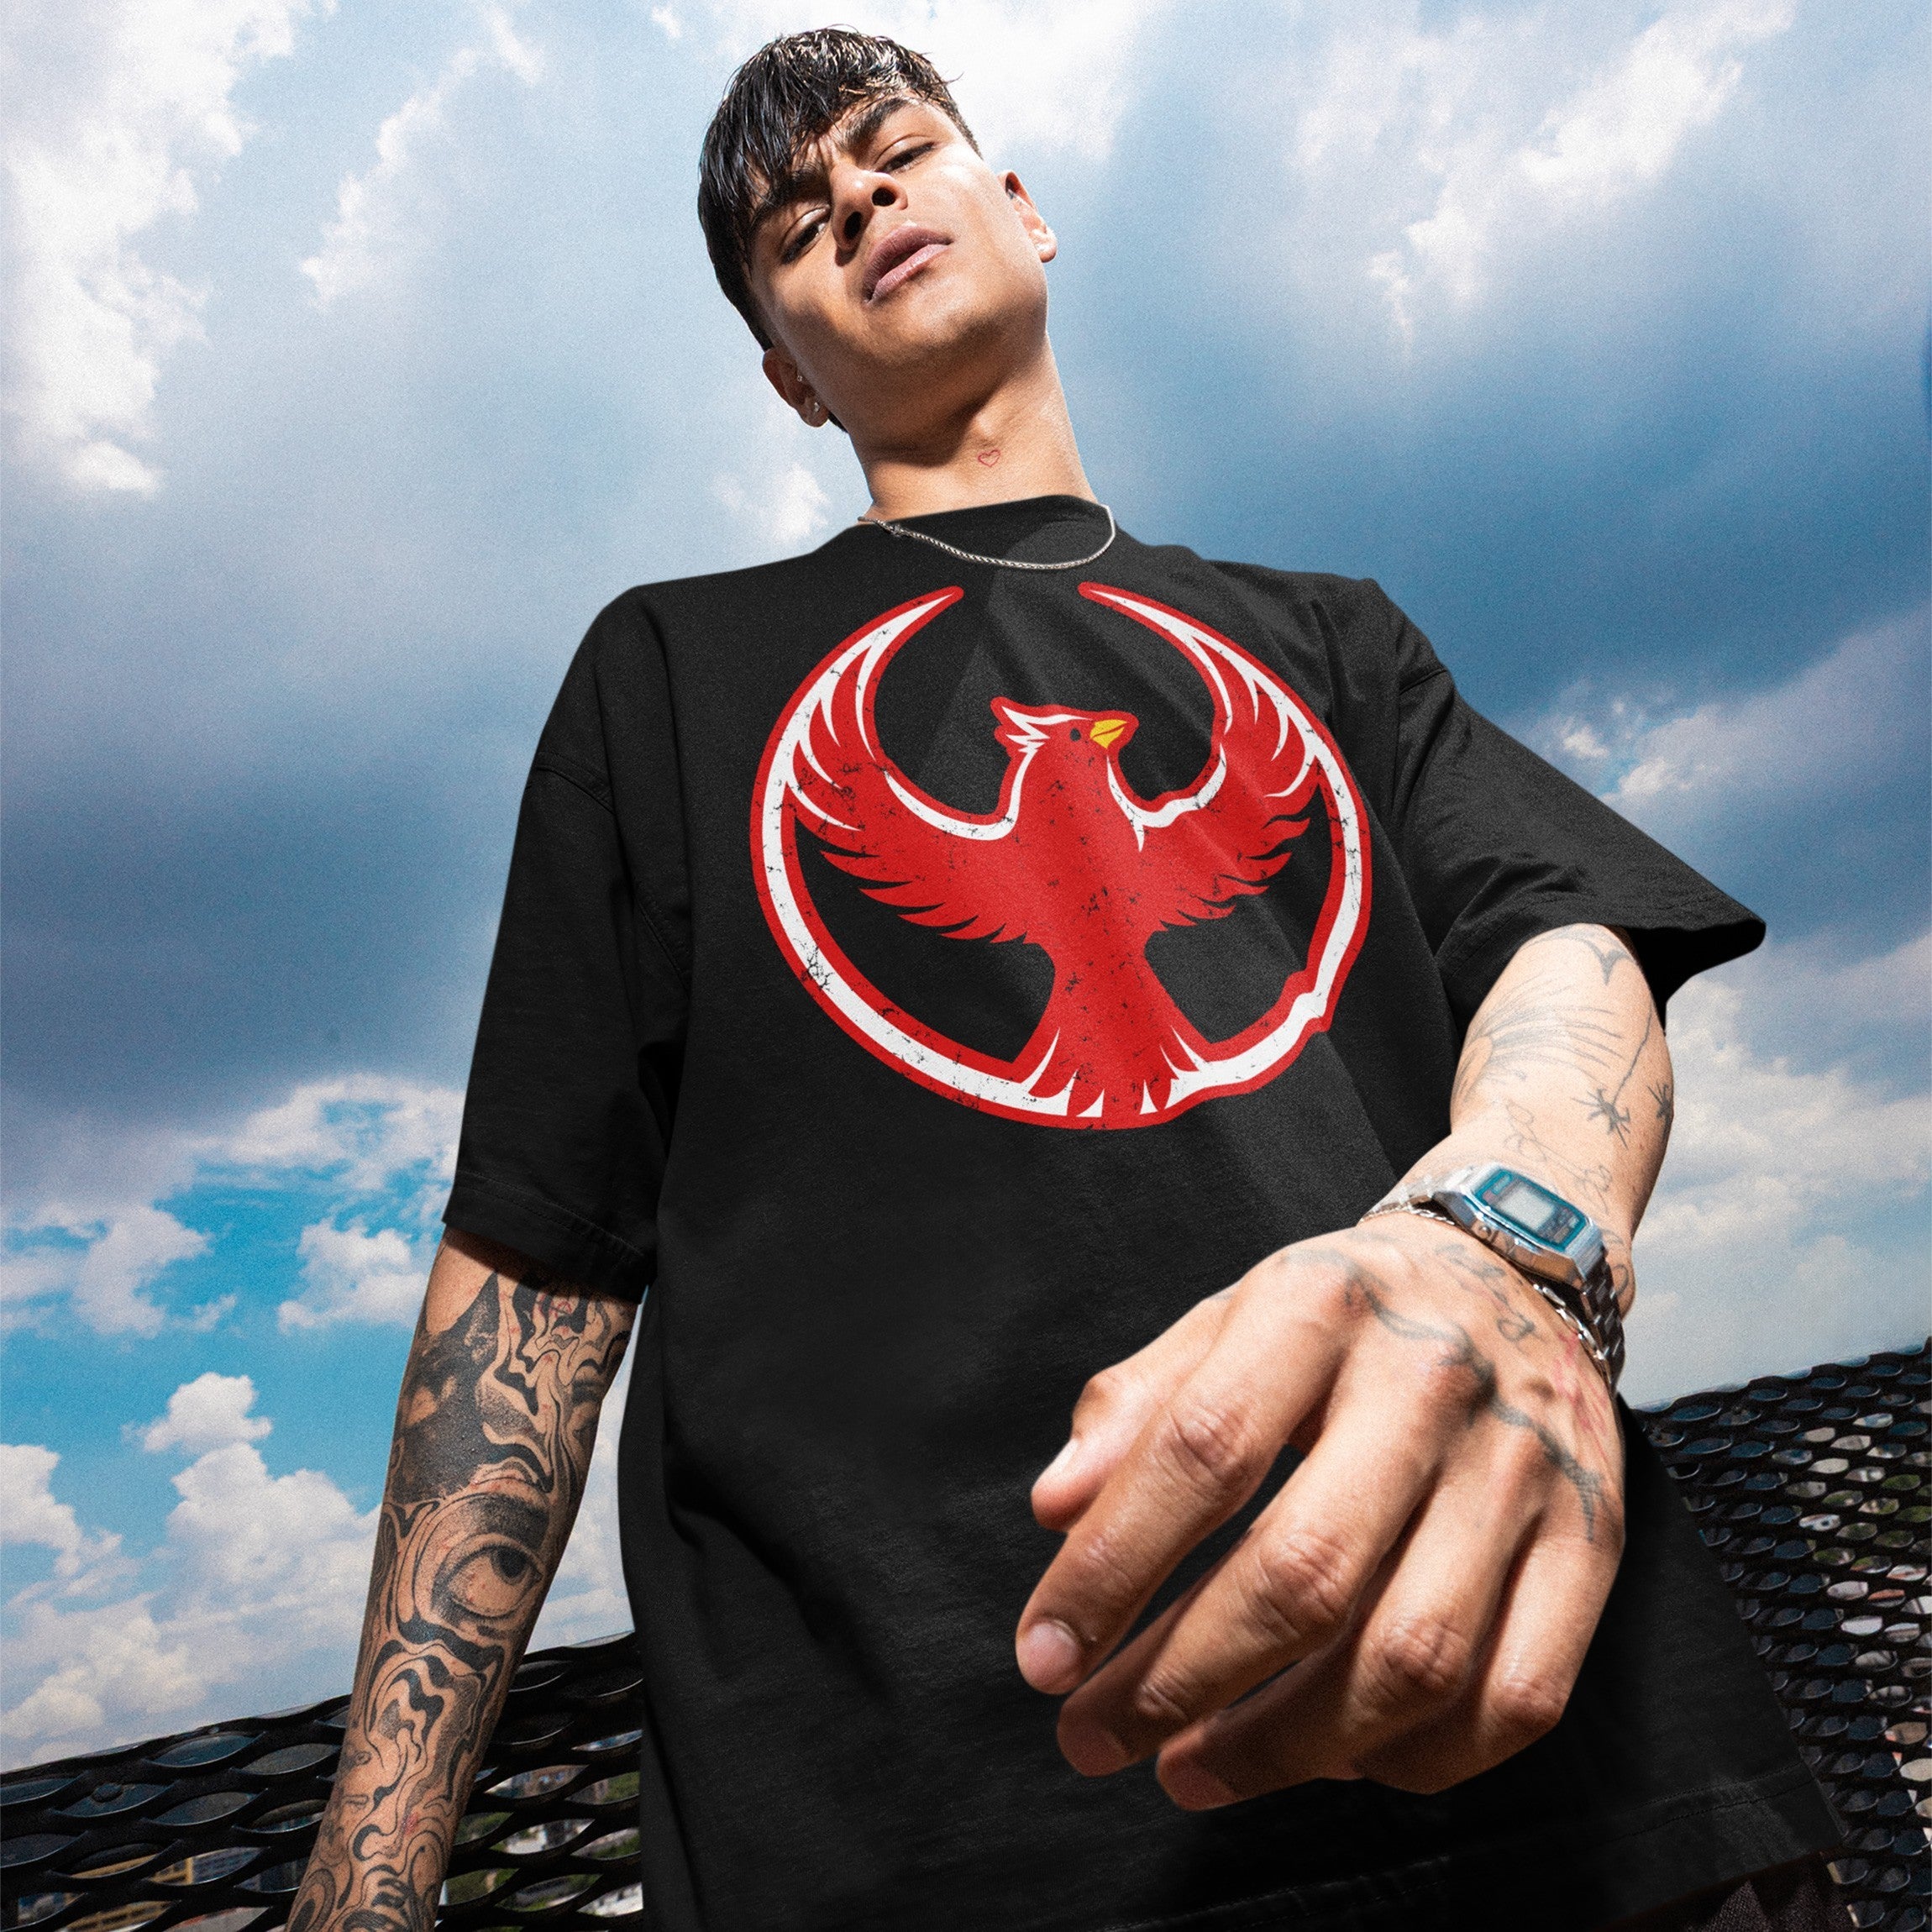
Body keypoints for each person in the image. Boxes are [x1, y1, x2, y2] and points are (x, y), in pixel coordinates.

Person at [289, 28, 1846, 1932]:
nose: (856, 197)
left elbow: (1563, 935)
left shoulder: (1325, 632)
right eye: (794, 221)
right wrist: (366, 1884)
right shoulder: (671, 676)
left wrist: (1506, 1235)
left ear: (1018, 205)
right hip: (948, 1833)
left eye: (896, 150)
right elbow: (537, 1268)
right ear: (784, 372)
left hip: (1560, 1759)